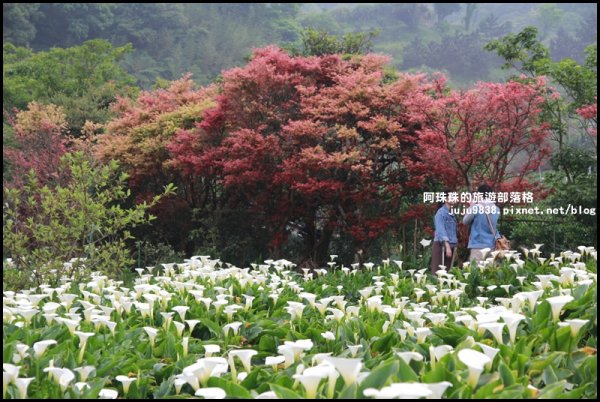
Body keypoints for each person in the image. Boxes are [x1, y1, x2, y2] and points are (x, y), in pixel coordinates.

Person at [463, 183, 500, 263]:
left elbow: (465, 221)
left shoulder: (476, 207)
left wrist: (471, 206)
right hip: (492, 245)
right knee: (490, 273)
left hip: (478, 245)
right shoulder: (496, 209)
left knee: (476, 273)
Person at [431, 190, 457, 274]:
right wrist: (447, 246)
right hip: (441, 245)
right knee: (438, 272)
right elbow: (440, 229)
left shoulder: (451, 213)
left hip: (450, 245)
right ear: (445, 199)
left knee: (447, 272)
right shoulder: (441, 213)